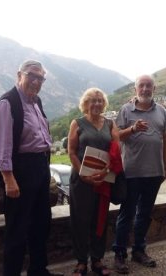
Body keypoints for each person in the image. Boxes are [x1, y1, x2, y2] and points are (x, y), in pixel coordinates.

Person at [0, 60, 63, 276]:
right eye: (31, 75)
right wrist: (8, 179)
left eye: (40, 78)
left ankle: (38, 270)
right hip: (20, 172)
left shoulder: (36, 102)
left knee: (41, 224)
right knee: (17, 230)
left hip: (39, 168)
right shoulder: (8, 103)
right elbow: (1, 146)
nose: (35, 81)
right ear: (19, 75)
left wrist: (44, 169)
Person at [112, 75, 166, 274]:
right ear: (135, 89)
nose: (145, 89)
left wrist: (164, 166)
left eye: (148, 86)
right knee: (127, 214)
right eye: (141, 86)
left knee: (144, 213)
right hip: (131, 172)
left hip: (153, 172)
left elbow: (163, 138)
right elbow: (116, 136)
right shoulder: (126, 110)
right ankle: (119, 254)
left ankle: (139, 250)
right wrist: (133, 128)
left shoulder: (161, 111)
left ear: (154, 88)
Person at [67, 87, 119, 276]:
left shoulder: (110, 124)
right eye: (92, 100)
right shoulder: (77, 123)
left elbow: (116, 150)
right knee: (80, 221)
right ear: (85, 104)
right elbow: (71, 151)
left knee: (100, 220)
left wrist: (106, 171)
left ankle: (97, 260)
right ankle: (81, 262)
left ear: (104, 103)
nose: (96, 104)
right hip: (81, 181)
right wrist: (82, 173)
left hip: (103, 180)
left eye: (99, 100)